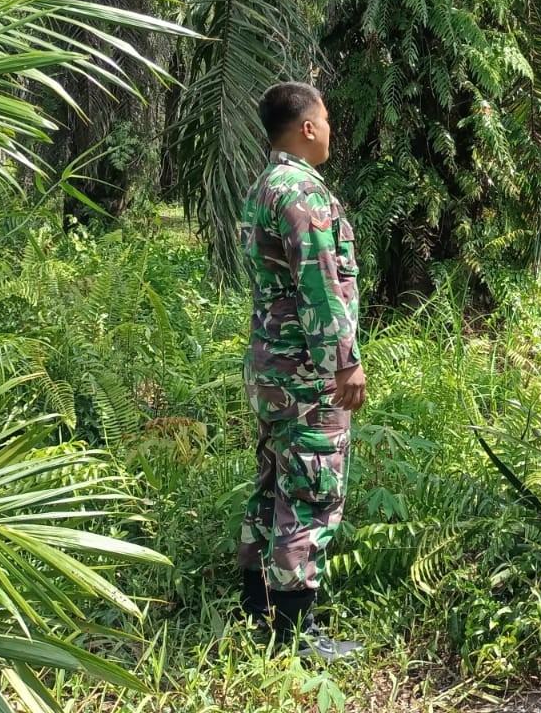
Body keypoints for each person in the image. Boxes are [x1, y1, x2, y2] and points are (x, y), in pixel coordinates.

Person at [237, 82, 368, 661]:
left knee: (274, 482)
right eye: (328, 121)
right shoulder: (301, 193)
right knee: (312, 492)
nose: (332, 130)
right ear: (308, 127)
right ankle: (294, 635)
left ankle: (255, 606)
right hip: (307, 373)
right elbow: (320, 285)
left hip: (271, 365)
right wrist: (345, 362)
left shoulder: (266, 185)